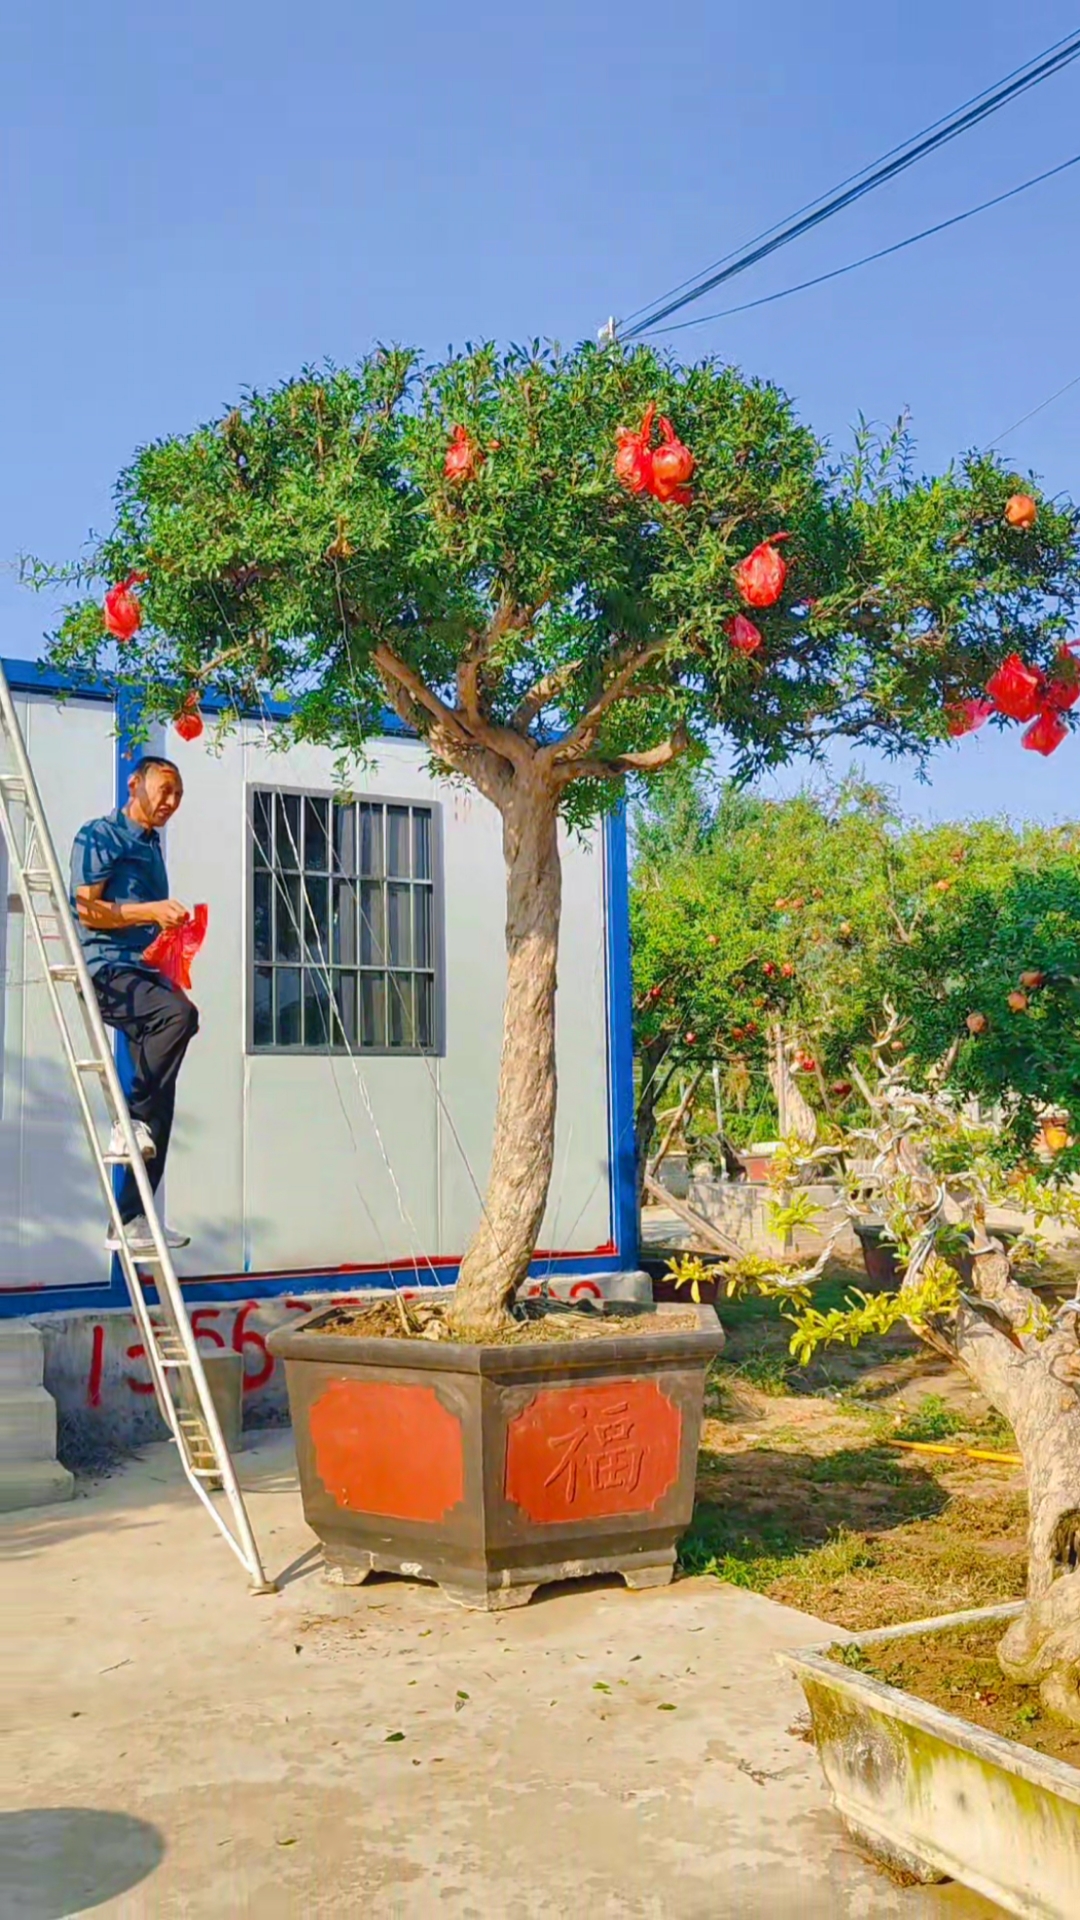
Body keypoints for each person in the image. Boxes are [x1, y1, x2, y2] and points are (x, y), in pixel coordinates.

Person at [70, 756, 197, 1254]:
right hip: (106, 972)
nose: (170, 804)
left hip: (142, 972)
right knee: (179, 1015)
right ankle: (130, 1123)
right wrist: (150, 910)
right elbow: (87, 909)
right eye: (164, 791)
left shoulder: (150, 848)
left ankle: (130, 1218)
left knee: (159, 1100)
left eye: (178, 797)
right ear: (135, 785)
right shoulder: (100, 835)